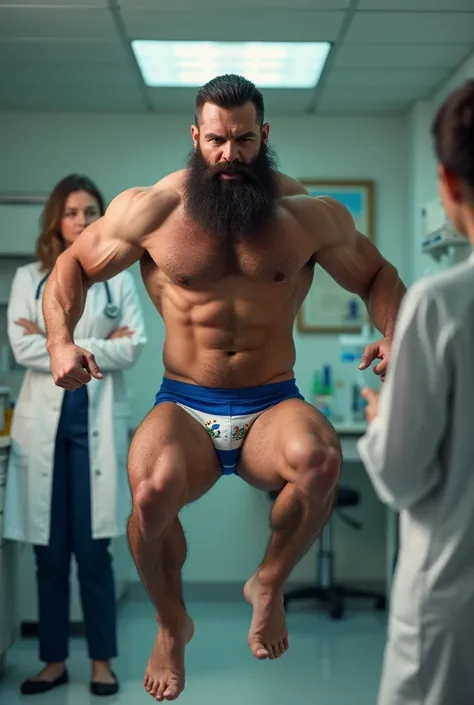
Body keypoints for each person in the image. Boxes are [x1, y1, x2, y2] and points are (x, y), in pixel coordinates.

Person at [41, 75, 406, 702]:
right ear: (195, 136)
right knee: (150, 495)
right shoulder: (153, 209)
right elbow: (72, 262)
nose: (229, 154)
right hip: (185, 403)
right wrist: (59, 341)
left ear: (263, 136)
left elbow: (377, 274)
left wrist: (393, 331)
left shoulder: (306, 216)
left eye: (242, 139)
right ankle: (170, 622)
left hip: (272, 403)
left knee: (321, 461)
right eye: (216, 140)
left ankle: (268, 582)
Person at [4, 174, 147, 697]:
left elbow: (135, 345)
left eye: (91, 211)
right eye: (71, 212)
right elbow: (21, 347)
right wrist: (92, 344)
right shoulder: (30, 277)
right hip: (45, 430)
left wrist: (65, 345)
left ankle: (102, 661)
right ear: (55, 221)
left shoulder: (120, 279)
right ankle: (52, 661)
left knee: (93, 555)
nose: (82, 221)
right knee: (48, 555)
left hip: (95, 429)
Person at [358, 79, 474, 705]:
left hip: (454, 597)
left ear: (448, 184)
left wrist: (382, 412)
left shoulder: (443, 301)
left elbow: (401, 477)